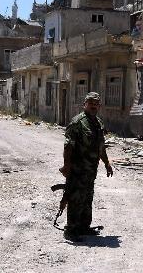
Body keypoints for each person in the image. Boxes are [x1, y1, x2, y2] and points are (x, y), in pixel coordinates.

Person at [59, 91, 113, 241]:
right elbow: (68, 146)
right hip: (78, 169)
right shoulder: (77, 122)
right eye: (91, 103)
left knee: (87, 198)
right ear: (85, 105)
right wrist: (66, 166)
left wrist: (107, 163)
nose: (93, 106)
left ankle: (83, 227)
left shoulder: (98, 123)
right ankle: (70, 230)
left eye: (96, 104)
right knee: (76, 198)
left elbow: (101, 147)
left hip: (90, 170)